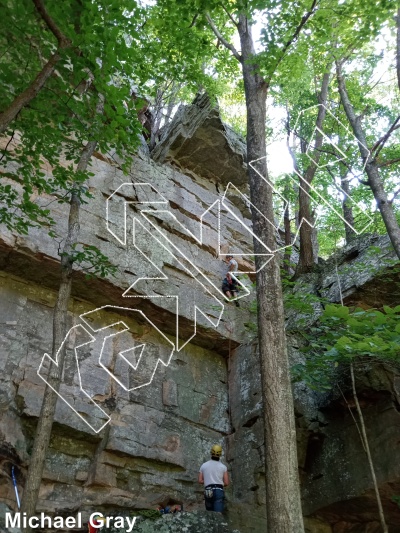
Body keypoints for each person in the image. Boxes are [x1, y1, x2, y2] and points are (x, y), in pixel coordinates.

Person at [198, 444, 229, 512]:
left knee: (210, 514)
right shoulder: (223, 467)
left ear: (211, 453)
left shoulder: (204, 465)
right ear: (220, 454)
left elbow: (200, 480)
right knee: (218, 515)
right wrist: (218, 481)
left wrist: (208, 480)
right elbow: (226, 483)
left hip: (208, 490)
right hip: (218, 490)